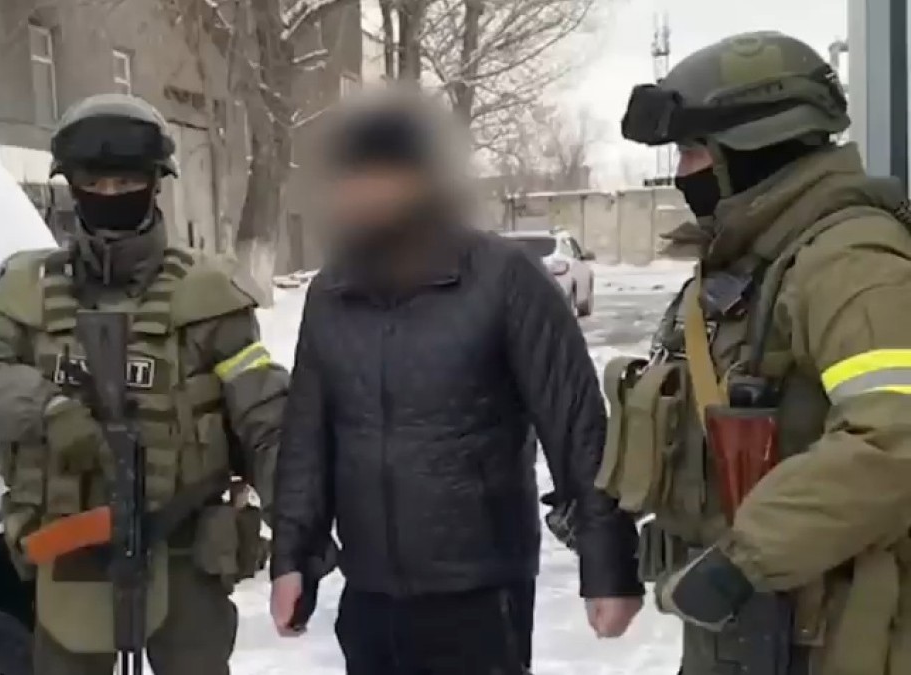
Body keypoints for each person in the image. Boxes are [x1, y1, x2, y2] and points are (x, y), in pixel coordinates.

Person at [269, 87, 644, 675]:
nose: (367, 193)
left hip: (478, 592)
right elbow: (307, 437)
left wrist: (609, 565)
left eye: (384, 175)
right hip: (370, 594)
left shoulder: (503, 278)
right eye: (355, 178)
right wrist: (292, 556)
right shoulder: (332, 292)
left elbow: (576, 425)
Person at [0, 93, 290, 675]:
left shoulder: (207, 294)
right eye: (93, 183)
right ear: (71, 186)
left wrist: (296, 522)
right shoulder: (27, 289)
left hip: (185, 546)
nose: (110, 195)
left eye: (126, 181)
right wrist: (50, 411)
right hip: (72, 542)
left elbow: (264, 413)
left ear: (155, 183)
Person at [612, 30, 911, 675]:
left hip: (836, 636)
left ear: (751, 149)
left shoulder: (849, 262)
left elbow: (893, 437)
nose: (682, 173)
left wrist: (738, 562)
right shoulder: (757, 259)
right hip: (755, 626)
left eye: (692, 150)